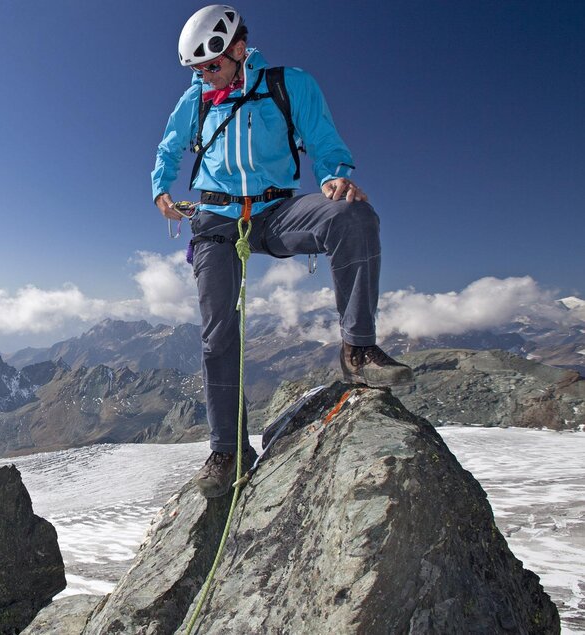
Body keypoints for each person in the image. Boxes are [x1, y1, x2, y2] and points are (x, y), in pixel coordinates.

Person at [151, 5, 413, 498]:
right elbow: (168, 149)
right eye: (197, 71)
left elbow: (323, 141)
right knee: (218, 333)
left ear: (238, 49)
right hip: (215, 220)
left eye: (212, 66)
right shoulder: (196, 102)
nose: (205, 78)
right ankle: (228, 450)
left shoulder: (287, 85)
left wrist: (336, 174)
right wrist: (161, 191)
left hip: (275, 212)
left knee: (353, 217)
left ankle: (358, 349)